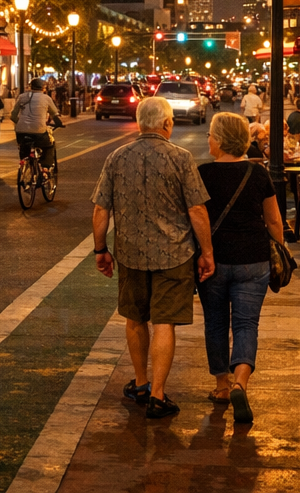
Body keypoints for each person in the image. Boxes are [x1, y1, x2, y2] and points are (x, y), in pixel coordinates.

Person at [91, 96, 215, 419]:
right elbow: (197, 210)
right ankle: (158, 395)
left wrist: (100, 249)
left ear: (140, 123)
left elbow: (101, 208)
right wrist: (207, 252)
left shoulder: (117, 158)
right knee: (164, 322)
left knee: (135, 318)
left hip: (130, 253)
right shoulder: (181, 158)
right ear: (167, 124)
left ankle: (142, 382)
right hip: (174, 254)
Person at [197, 112, 287, 424]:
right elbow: (274, 220)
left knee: (216, 323)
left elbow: (195, 217)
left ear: (220, 141)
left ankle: (222, 386)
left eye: (210, 134)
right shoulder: (258, 174)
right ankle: (241, 383)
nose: (207, 139)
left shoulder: (202, 174)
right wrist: (280, 250)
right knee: (247, 325)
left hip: (214, 262)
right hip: (254, 260)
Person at [11, 78, 63, 174]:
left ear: (30, 87)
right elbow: (54, 114)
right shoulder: (46, 98)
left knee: (24, 147)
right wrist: (59, 124)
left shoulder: (22, 97)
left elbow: (13, 116)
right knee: (49, 146)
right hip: (39, 131)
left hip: (21, 132)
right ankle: (45, 168)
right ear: (43, 88)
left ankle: (24, 163)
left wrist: (20, 123)